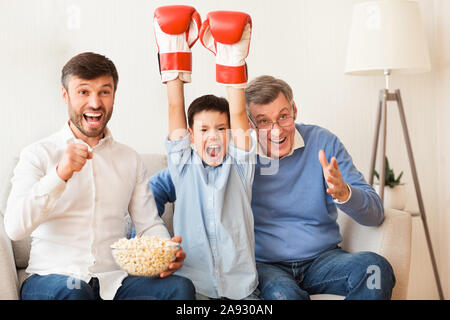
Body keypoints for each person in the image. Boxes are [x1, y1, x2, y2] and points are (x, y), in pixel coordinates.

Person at [150, 75, 396, 300]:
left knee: (376, 269)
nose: (277, 130)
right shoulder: (233, 159)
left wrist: (344, 194)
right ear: (247, 125)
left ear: (294, 111)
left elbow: (375, 214)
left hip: (324, 258)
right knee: (282, 296)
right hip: (267, 265)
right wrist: (151, 238)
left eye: (283, 116)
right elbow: (162, 187)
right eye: (263, 121)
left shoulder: (323, 143)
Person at [4, 52, 195, 300]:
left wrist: (164, 252)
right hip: (52, 279)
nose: (95, 103)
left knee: (180, 289)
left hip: (113, 282)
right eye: (83, 92)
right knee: (75, 292)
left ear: (114, 95)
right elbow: (14, 228)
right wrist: (59, 175)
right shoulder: (37, 155)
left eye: (104, 92)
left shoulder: (130, 159)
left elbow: (148, 224)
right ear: (65, 96)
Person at [153, 6, 258, 300]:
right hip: (195, 288)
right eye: (204, 130)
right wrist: (173, 48)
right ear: (190, 137)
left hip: (241, 290)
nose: (213, 136)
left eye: (221, 129)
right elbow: (175, 108)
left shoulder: (240, 166)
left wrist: (231, 56)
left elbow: (237, 110)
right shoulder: (183, 166)